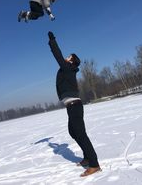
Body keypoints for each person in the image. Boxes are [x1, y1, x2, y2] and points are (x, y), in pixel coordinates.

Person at [48, 31, 101, 177]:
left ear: (71, 62)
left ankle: (94, 164)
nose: (66, 57)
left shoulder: (67, 68)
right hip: (72, 107)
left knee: (81, 134)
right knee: (73, 132)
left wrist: (52, 41)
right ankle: (87, 157)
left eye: (69, 57)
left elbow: (57, 55)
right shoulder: (68, 69)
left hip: (75, 106)